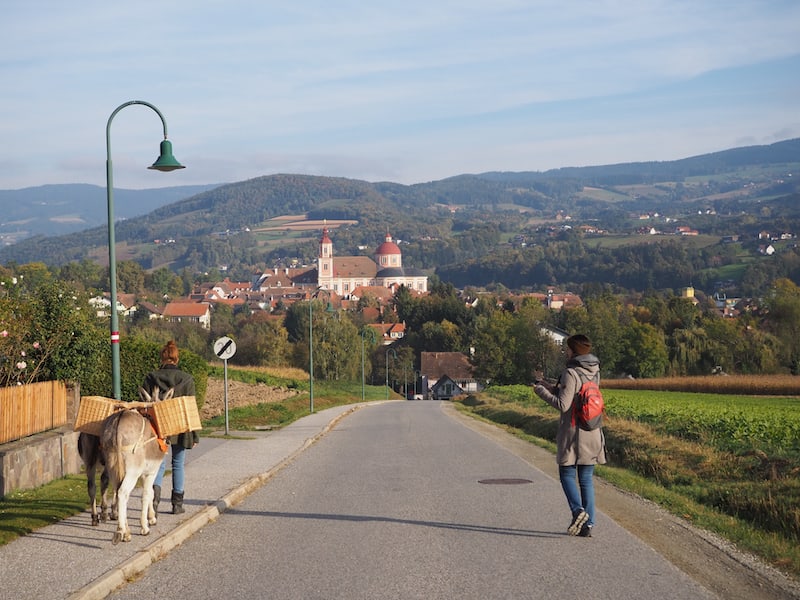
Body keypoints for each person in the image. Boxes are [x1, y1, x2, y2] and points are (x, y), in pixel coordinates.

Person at [534, 334, 606, 537]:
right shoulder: (595, 371)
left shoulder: (570, 373)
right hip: (593, 430)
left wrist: (541, 391)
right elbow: (576, 395)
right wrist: (551, 387)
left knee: (566, 474)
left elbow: (563, 404)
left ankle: (578, 511)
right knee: (586, 479)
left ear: (573, 351)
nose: (566, 352)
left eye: (568, 349)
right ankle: (587, 525)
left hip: (574, 433)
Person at [142, 340, 199, 515]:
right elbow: (191, 409)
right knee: (178, 464)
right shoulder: (187, 379)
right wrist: (195, 436)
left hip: (157, 427)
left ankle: (155, 501)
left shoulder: (151, 377)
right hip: (180, 428)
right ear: (176, 358)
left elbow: (145, 405)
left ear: (163, 357)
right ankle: (177, 505)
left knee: (159, 464)